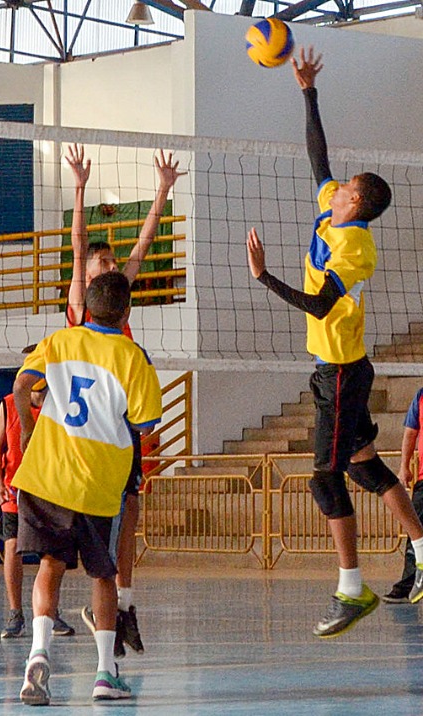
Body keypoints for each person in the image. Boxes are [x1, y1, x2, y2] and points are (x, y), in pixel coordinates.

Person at [246, 46, 423, 637]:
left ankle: (352, 589)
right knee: (367, 467)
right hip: (336, 368)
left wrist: (264, 277)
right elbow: (317, 158)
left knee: (326, 479)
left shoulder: (356, 247)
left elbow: (322, 303)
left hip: (342, 371)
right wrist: (307, 92)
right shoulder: (332, 209)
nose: (336, 184)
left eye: (345, 185)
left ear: (357, 203)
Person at [11, 271, 162, 705]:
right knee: (104, 575)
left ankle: (38, 652)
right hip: (98, 482)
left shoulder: (60, 340)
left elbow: (22, 384)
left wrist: (26, 428)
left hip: (46, 475)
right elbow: (146, 424)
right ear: (127, 312)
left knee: (49, 566)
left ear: (88, 309)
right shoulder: (134, 357)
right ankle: (104, 674)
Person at [65, 142, 184, 657]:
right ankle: (91, 608)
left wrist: (161, 192)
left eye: (112, 261)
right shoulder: (81, 300)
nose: (112, 264)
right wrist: (79, 189)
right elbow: (76, 246)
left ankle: (123, 605)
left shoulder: (118, 293)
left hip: (123, 420)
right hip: (90, 430)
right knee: (96, 528)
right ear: (89, 275)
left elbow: (143, 244)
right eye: (103, 261)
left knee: (131, 515)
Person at [0, 358, 75, 641]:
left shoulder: (61, 405)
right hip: (16, 487)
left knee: (51, 554)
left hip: (49, 487)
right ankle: (15, 613)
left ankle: (50, 611)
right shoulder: (9, 403)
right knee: (12, 547)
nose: (39, 396)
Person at [385, 386, 423, 603]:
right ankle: (408, 585)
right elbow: (410, 432)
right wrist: (404, 466)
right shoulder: (420, 395)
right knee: (415, 530)